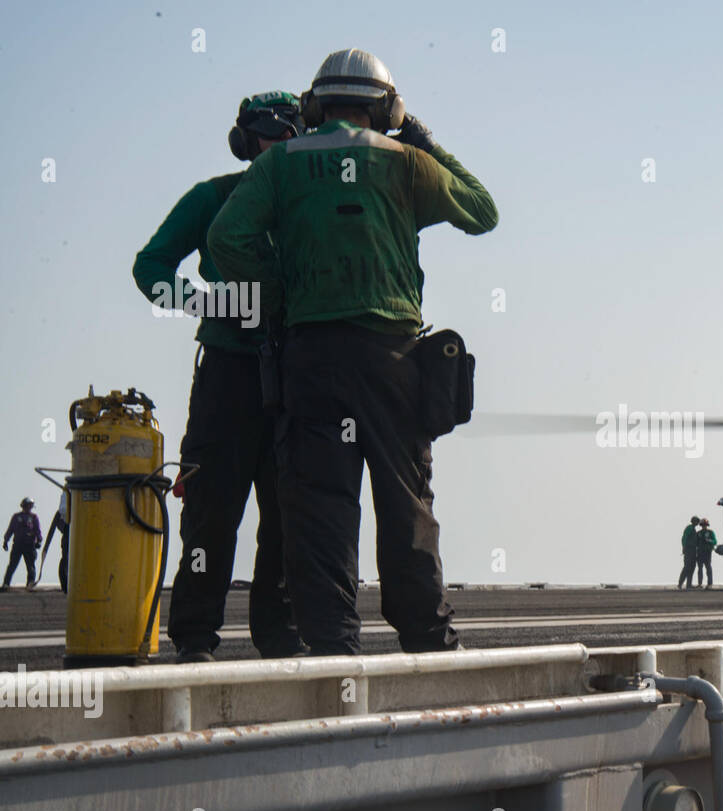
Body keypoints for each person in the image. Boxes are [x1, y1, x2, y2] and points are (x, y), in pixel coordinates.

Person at [208, 49, 498, 656]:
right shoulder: (407, 162)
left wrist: (284, 287)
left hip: (310, 359)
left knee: (317, 510)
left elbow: (227, 239)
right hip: (391, 357)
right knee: (405, 501)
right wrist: (423, 138)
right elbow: (482, 212)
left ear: (313, 106)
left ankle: (334, 647)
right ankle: (426, 636)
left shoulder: (280, 163)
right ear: (386, 108)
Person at [133, 91, 307, 663]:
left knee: (288, 511)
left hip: (295, 373)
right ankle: (194, 635)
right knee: (211, 510)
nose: (280, 144)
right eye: (269, 135)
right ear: (246, 142)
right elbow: (151, 266)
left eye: (290, 134)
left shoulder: (310, 206)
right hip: (229, 374)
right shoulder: (213, 198)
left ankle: (279, 633)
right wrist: (209, 304)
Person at [2, 498, 42, 592]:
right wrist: (6, 541)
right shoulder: (16, 517)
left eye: (30, 506)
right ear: (23, 506)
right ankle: (6, 583)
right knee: (12, 565)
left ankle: (30, 584)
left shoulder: (33, 517)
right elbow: (10, 529)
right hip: (18, 545)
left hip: (29, 545)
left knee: (30, 566)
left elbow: (37, 530)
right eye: (27, 505)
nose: (29, 508)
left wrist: (39, 541)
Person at [41, 492, 69, 594]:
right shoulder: (66, 510)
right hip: (69, 536)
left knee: (66, 560)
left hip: (69, 536)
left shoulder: (64, 511)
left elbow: (54, 527)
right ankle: (66, 586)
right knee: (66, 560)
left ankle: (66, 586)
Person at [677, 516, 700, 589]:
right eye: (697, 521)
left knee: (692, 567)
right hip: (688, 550)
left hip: (693, 550)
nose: (697, 523)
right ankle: (680, 583)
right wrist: (684, 547)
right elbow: (684, 538)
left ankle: (689, 584)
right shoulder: (689, 528)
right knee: (687, 567)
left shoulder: (693, 529)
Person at [695, 518, 717, 589]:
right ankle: (699, 584)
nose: (704, 526)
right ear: (701, 525)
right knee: (700, 568)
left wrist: (709, 540)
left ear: (707, 525)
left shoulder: (710, 532)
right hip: (700, 552)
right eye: (703, 525)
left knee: (708, 568)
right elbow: (696, 542)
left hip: (707, 552)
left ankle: (710, 584)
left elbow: (715, 541)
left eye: (705, 525)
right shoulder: (698, 533)